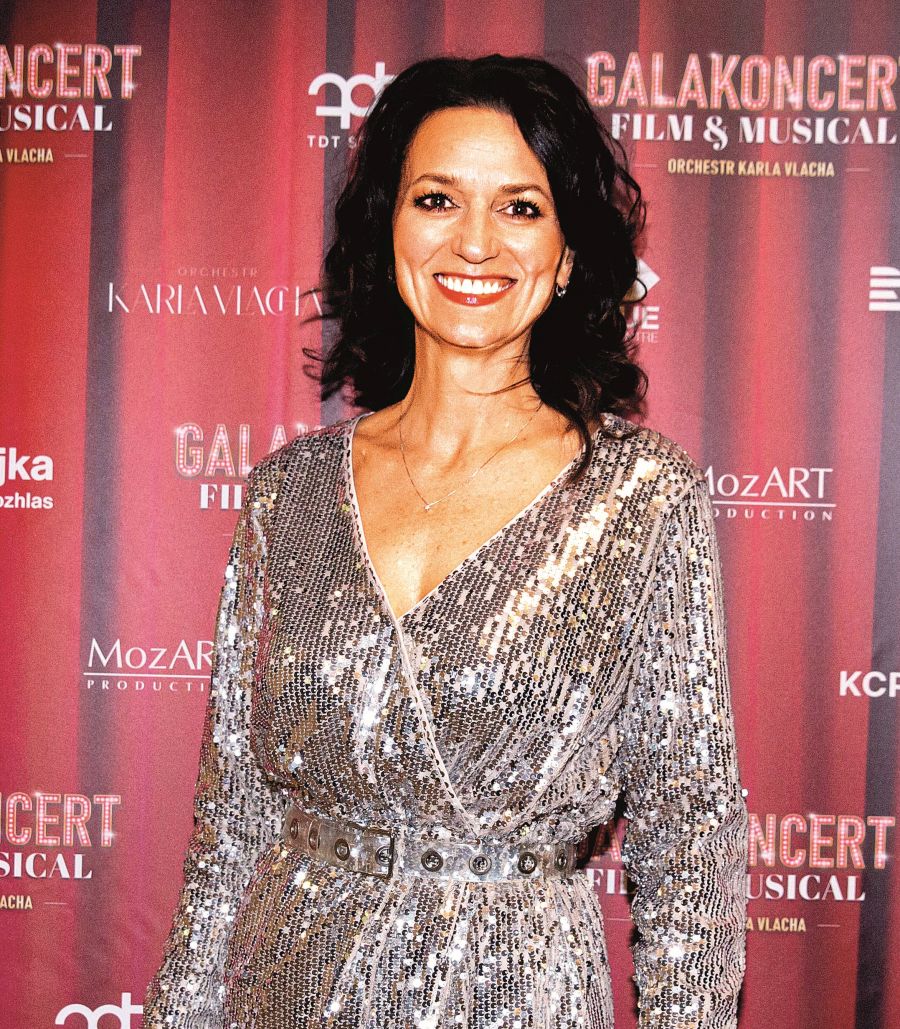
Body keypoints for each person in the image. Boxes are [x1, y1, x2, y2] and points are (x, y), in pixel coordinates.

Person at [144, 53, 748, 1028]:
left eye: (520, 208)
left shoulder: (641, 496)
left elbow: (689, 839)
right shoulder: (289, 495)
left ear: (567, 255)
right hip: (286, 985)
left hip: (517, 994)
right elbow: (234, 821)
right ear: (388, 231)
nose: (475, 241)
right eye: (437, 199)